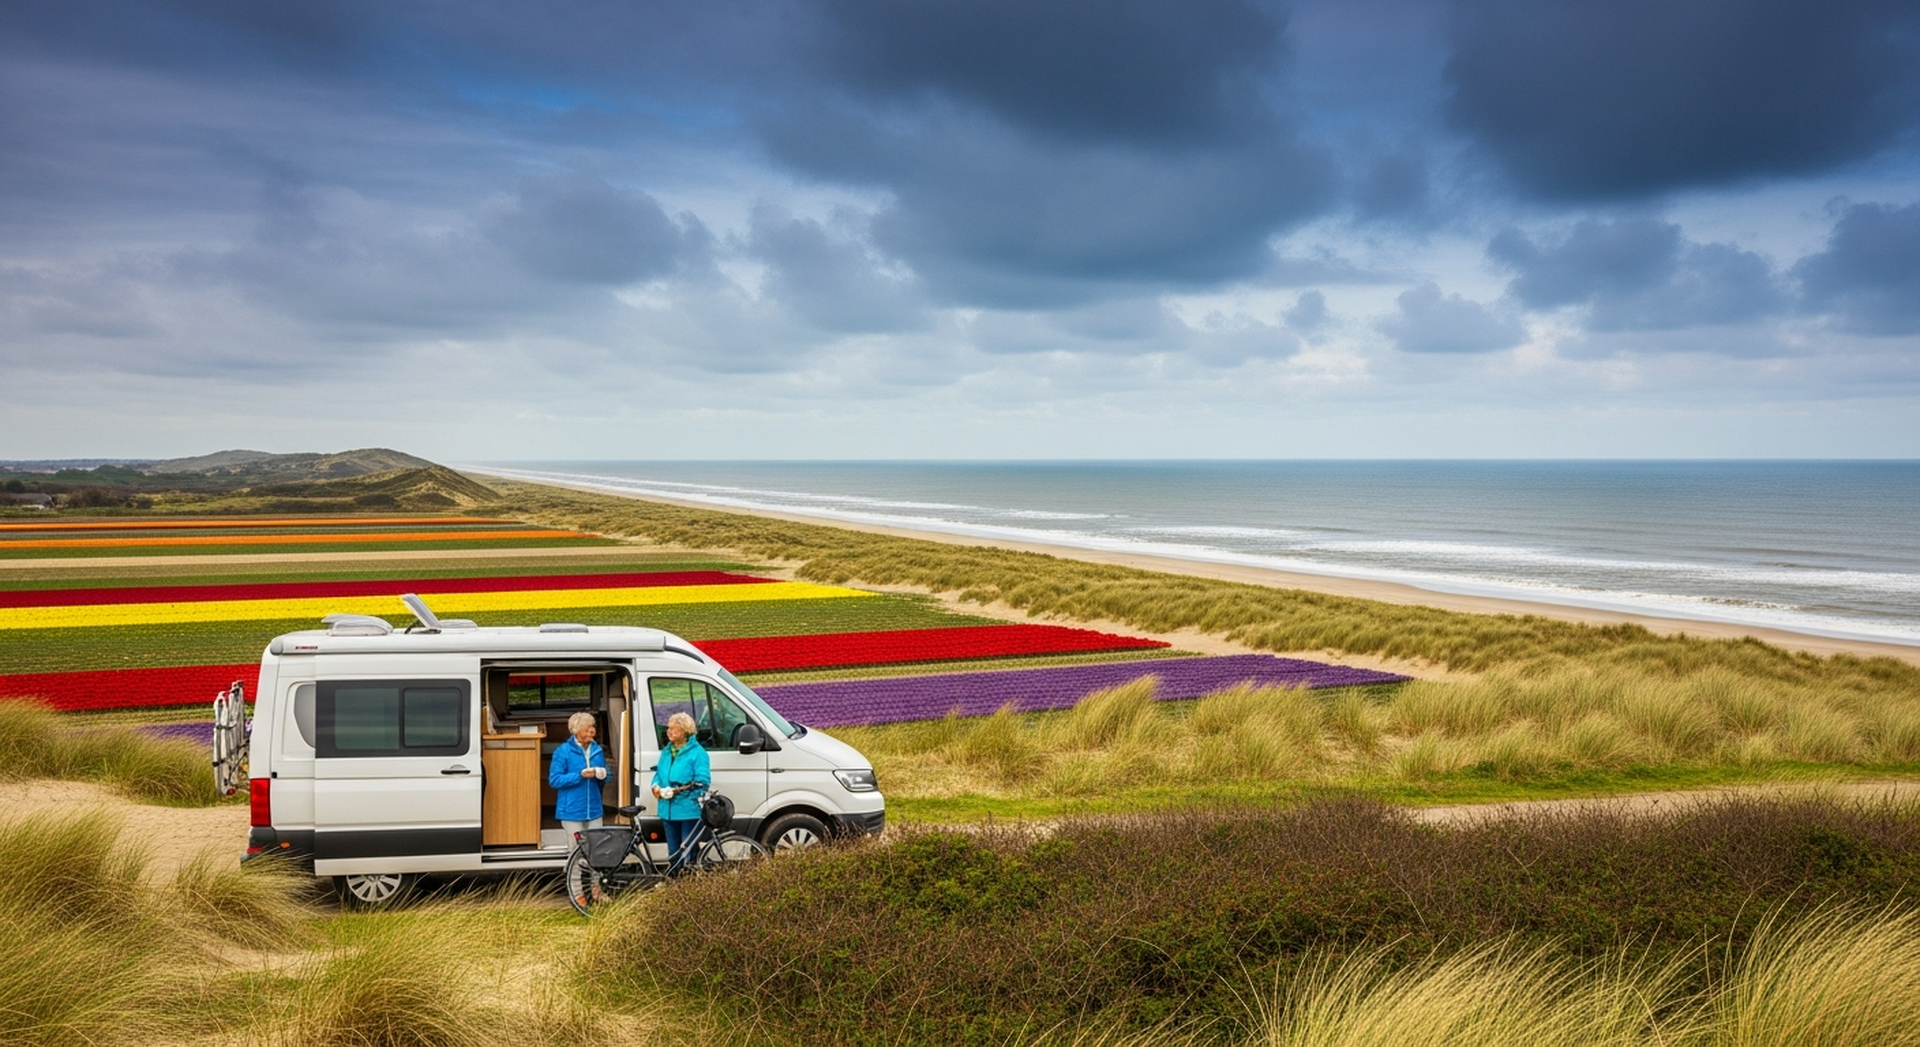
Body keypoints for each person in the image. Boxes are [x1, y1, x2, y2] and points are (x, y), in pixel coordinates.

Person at [650, 711, 710, 868]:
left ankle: (688, 884)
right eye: (668, 728)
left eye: (674, 729)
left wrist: (677, 791)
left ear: (685, 732)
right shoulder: (666, 751)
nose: (669, 731)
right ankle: (675, 882)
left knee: (687, 850)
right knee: (673, 852)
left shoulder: (698, 753)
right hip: (667, 810)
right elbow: (659, 774)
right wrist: (655, 787)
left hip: (688, 811)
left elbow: (703, 782)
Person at [550, 711, 608, 833]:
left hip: (594, 810)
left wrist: (603, 774)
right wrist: (579, 775)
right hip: (571, 812)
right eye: (587, 729)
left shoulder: (598, 750)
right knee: (576, 850)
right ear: (576, 731)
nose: (592, 731)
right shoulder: (562, 751)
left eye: (592, 727)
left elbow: (606, 776)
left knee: (596, 848)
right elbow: (554, 780)